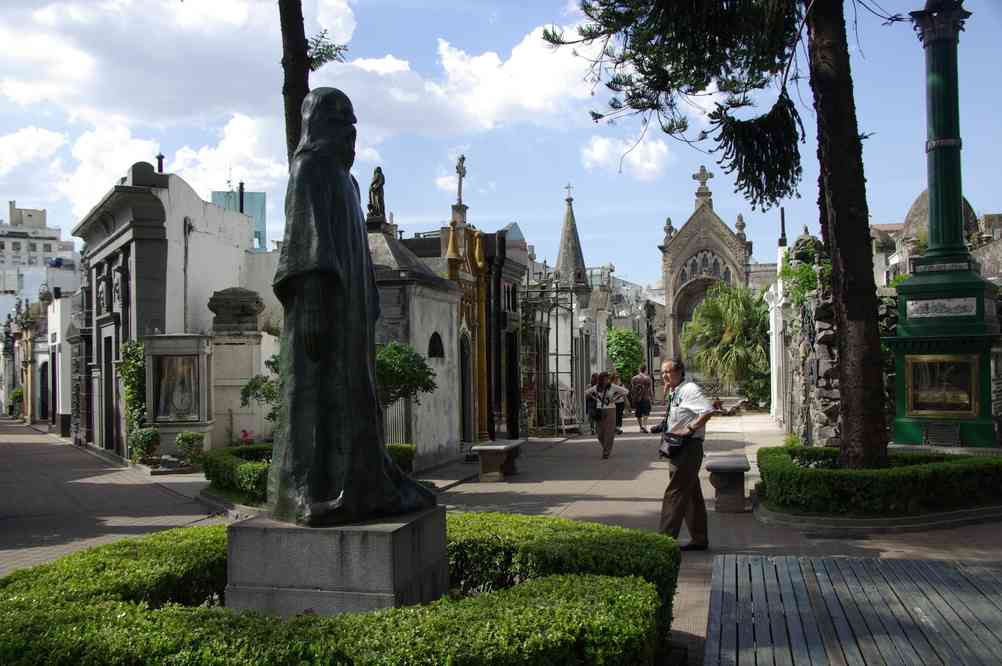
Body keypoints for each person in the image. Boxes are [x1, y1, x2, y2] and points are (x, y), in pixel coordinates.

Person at [269, 87, 435, 526]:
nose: (351, 136)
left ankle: (365, 485)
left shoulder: (350, 183)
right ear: (321, 127)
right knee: (316, 398)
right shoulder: (308, 170)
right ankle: (309, 492)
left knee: (357, 399)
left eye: (354, 127)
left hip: (353, 314)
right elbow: (306, 243)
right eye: (342, 125)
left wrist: (370, 303)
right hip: (321, 311)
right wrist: (310, 307)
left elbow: (358, 251)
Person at [650, 358, 715, 551]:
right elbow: (679, 414)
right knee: (691, 494)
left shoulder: (689, 390)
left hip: (688, 448)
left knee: (675, 493)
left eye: (668, 372)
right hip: (678, 447)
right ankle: (699, 538)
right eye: (662, 373)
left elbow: (707, 411)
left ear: (679, 371)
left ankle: (664, 540)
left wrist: (689, 428)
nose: (664, 376)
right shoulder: (675, 391)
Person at [584, 371, 629, 459]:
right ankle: (606, 447)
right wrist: (595, 397)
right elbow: (586, 393)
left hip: (611, 410)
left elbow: (626, 391)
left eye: (607, 379)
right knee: (600, 433)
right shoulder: (596, 388)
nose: (606, 380)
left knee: (609, 432)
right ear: (601, 379)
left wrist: (615, 398)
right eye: (604, 379)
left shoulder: (612, 387)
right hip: (599, 411)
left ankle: (606, 451)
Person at [630, 365, 654, 433]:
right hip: (646, 398)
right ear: (645, 370)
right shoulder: (648, 378)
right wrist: (652, 399)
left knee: (638, 413)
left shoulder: (634, 378)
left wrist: (633, 398)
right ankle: (645, 425)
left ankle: (640, 427)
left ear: (639, 369)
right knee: (646, 413)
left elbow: (632, 389)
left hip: (637, 398)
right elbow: (650, 390)